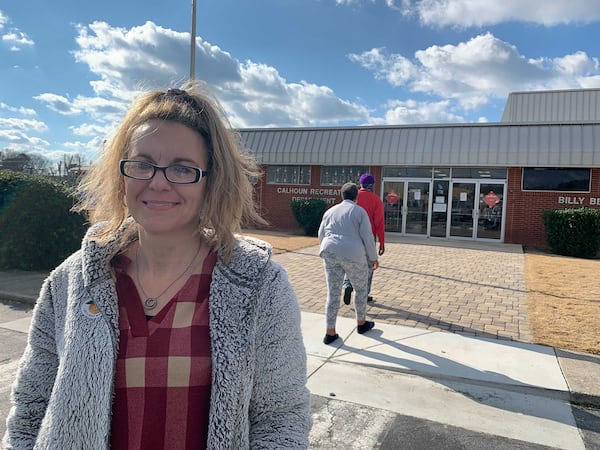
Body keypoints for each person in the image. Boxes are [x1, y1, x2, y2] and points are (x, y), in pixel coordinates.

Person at [3, 84, 311, 449]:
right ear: (122, 174)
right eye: (143, 164)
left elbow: (281, 420)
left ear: (212, 182)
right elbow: (31, 409)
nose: (158, 182)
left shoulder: (261, 287)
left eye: (182, 168)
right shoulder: (69, 283)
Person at [318, 182, 379, 345]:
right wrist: (373, 258)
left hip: (330, 252)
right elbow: (367, 236)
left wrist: (325, 250)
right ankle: (361, 323)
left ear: (341, 195)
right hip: (353, 254)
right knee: (360, 289)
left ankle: (330, 332)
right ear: (356, 196)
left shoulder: (330, 211)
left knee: (333, 292)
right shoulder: (359, 212)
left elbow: (321, 233)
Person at [342, 173, 385, 305]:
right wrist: (382, 242)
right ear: (372, 186)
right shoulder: (376, 200)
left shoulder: (352, 198)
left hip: (351, 235)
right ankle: (364, 295)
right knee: (369, 266)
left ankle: (348, 285)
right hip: (368, 237)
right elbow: (379, 223)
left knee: (350, 263)